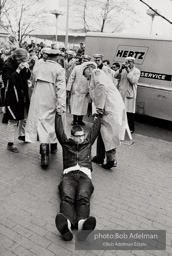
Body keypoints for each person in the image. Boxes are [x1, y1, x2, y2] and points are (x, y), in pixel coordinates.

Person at [54, 108, 102, 241]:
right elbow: (59, 131)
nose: (81, 138)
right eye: (78, 136)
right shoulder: (66, 143)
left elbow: (95, 131)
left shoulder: (87, 143)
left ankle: (82, 225)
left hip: (84, 176)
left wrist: (98, 116)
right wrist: (58, 115)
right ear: (72, 137)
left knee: (83, 198)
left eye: (82, 135)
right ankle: (66, 226)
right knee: (67, 198)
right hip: (68, 176)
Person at [82, 62, 129, 169]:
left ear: (89, 68)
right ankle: (100, 156)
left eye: (84, 72)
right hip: (108, 107)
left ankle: (111, 159)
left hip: (110, 108)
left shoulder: (96, 72)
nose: (84, 76)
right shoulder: (94, 77)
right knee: (102, 131)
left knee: (108, 133)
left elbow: (102, 87)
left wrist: (99, 108)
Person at [25, 49, 66, 168]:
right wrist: (61, 104)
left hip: (38, 98)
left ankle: (45, 155)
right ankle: (51, 148)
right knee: (53, 123)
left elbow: (32, 82)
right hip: (52, 98)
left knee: (41, 123)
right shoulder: (59, 69)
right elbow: (61, 89)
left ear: (46, 56)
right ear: (57, 57)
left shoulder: (38, 67)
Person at [2, 48, 31, 153]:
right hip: (13, 97)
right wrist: (18, 69)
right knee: (13, 120)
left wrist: (27, 69)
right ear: (18, 58)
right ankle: (10, 143)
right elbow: (9, 81)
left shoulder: (20, 63)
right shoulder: (7, 65)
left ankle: (22, 135)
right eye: (23, 60)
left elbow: (27, 76)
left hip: (22, 95)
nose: (24, 62)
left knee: (24, 117)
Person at [114, 57, 140, 133]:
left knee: (129, 113)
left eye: (130, 62)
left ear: (133, 63)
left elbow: (133, 81)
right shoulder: (123, 70)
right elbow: (115, 76)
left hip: (129, 94)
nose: (128, 63)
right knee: (120, 111)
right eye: (127, 62)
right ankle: (120, 126)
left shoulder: (136, 71)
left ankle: (131, 128)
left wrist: (128, 71)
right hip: (121, 93)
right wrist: (121, 69)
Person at [66, 55, 91, 126]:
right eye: (84, 60)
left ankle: (80, 120)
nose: (85, 61)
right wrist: (68, 89)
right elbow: (71, 78)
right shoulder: (76, 68)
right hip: (76, 90)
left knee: (83, 107)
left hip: (85, 90)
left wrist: (89, 90)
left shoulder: (90, 69)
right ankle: (74, 120)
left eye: (86, 60)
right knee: (75, 106)